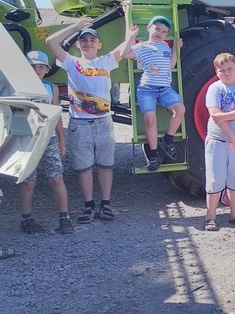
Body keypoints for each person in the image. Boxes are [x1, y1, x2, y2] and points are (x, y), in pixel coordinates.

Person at [47, 17, 137, 224]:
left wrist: (130, 29)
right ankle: (89, 205)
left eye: (92, 40)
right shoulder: (71, 62)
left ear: (99, 44)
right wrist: (76, 27)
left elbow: (124, 47)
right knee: (84, 167)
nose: (88, 43)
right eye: (84, 40)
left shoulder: (106, 61)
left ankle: (106, 204)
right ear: (78, 44)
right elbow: (51, 41)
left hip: (103, 122)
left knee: (106, 165)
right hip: (79, 124)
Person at [17, 51, 72, 235]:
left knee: (56, 177)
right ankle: (26, 219)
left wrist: (62, 140)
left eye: (41, 67)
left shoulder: (51, 88)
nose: (37, 70)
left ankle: (65, 218)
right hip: (26, 139)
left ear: (47, 70)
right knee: (28, 181)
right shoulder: (18, 88)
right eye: (32, 67)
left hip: (49, 138)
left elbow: (56, 115)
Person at [203, 53, 235, 231]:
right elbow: (214, 114)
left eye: (229, 69)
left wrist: (224, 116)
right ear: (216, 72)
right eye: (222, 70)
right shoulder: (214, 88)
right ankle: (210, 217)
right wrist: (231, 135)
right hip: (218, 141)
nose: (226, 73)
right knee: (215, 178)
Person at [125, 15, 185, 171]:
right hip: (147, 89)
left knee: (180, 109)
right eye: (157, 29)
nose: (160, 33)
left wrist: (175, 48)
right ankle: (153, 155)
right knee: (150, 119)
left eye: (164, 31)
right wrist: (131, 36)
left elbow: (171, 65)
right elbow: (126, 54)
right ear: (148, 28)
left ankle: (167, 140)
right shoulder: (142, 46)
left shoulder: (165, 46)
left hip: (164, 89)